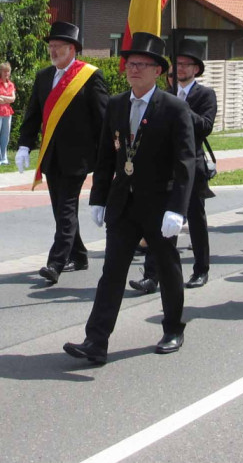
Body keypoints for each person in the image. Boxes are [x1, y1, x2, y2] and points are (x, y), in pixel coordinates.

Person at [63, 32, 195, 363]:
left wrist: (177, 209)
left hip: (159, 204)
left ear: (157, 71)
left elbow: (185, 162)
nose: (133, 69)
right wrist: (98, 196)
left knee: (167, 268)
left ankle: (173, 328)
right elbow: (107, 154)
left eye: (141, 64)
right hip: (123, 204)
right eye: (130, 64)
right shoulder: (117, 105)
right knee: (112, 272)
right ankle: (96, 341)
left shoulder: (175, 108)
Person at [15, 22, 108, 284]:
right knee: (60, 209)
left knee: (66, 208)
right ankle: (78, 254)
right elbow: (32, 115)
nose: (52, 51)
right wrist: (24, 145)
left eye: (58, 47)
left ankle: (56, 262)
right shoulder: (44, 77)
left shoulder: (90, 77)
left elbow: (102, 119)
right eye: (51, 46)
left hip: (77, 157)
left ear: (72, 49)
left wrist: (106, 155)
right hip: (51, 156)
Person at [131, 39, 216, 292]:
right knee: (159, 223)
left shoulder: (204, 95)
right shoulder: (163, 94)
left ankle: (201, 269)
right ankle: (152, 275)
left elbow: (205, 126)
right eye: (176, 64)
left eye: (185, 64)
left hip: (191, 166)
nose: (179, 69)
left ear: (196, 69)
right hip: (162, 168)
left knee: (195, 220)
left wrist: (180, 109)